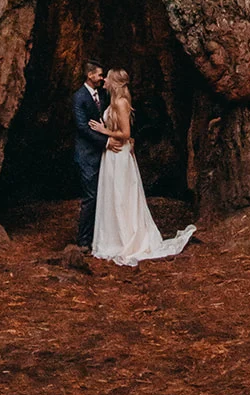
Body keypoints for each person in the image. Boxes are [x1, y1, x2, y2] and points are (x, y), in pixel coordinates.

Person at [89, 68, 196, 266]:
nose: (104, 80)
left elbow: (125, 132)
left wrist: (104, 131)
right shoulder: (112, 101)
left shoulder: (121, 103)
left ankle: (125, 238)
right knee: (111, 194)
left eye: (107, 78)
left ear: (114, 82)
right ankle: (112, 238)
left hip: (119, 154)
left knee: (122, 195)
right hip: (112, 154)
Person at [72, 60, 110, 250]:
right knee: (91, 197)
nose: (102, 78)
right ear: (90, 75)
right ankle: (84, 241)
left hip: (102, 154)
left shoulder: (102, 95)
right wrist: (107, 142)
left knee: (102, 195)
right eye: (99, 75)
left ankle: (99, 237)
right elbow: (82, 127)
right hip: (87, 155)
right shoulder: (79, 97)